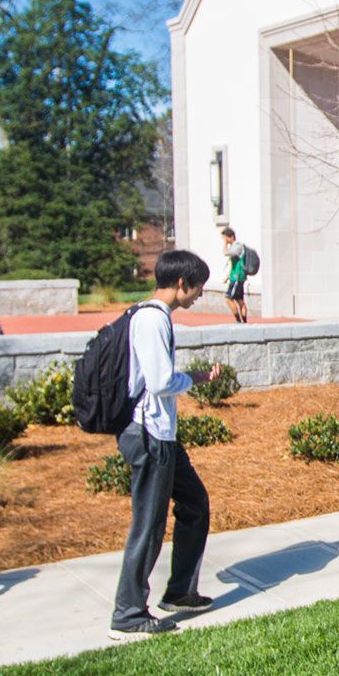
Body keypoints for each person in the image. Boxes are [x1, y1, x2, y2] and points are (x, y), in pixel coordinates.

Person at [110, 248, 215, 638]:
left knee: (194, 502)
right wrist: (193, 380)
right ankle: (128, 614)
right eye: (198, 288)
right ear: (181, 284)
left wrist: (191, 377)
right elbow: (157, 382)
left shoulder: (152, 317)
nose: (199, 295)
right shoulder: (153, 320)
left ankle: (181, 592)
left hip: (161, 434)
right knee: (149, 524)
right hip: (149, 433)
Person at [219, 225, 255, 325]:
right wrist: (226, 277)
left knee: (228, 298)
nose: (224, 240)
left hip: (237, 277)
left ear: (230, 237)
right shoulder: (236, 247)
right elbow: (233, 265)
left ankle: (239, 321)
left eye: (225, 238)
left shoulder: (237, 246)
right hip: (236, 276)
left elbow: (225, 253)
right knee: (239, 300)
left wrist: (225, 244)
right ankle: (244, 321)